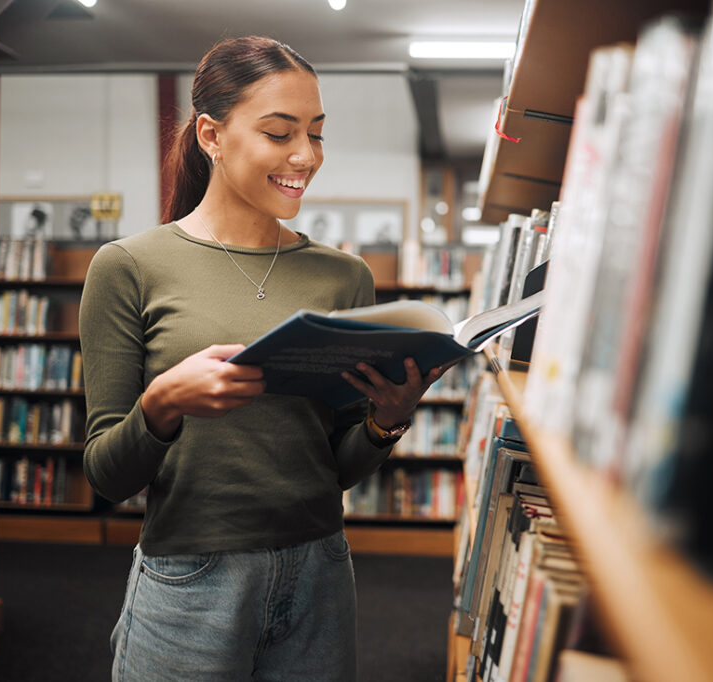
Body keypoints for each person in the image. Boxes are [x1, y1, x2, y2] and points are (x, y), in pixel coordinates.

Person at [78, 36, 445, 682]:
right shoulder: (129, 268)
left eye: (317, 134)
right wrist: (162, 405)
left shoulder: (344, 277)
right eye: (279, 134)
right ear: (211, 137)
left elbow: (334, 469)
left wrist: (387, 423)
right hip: (192, 578)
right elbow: (107, 475)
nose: (305, 156)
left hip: (321, 574)